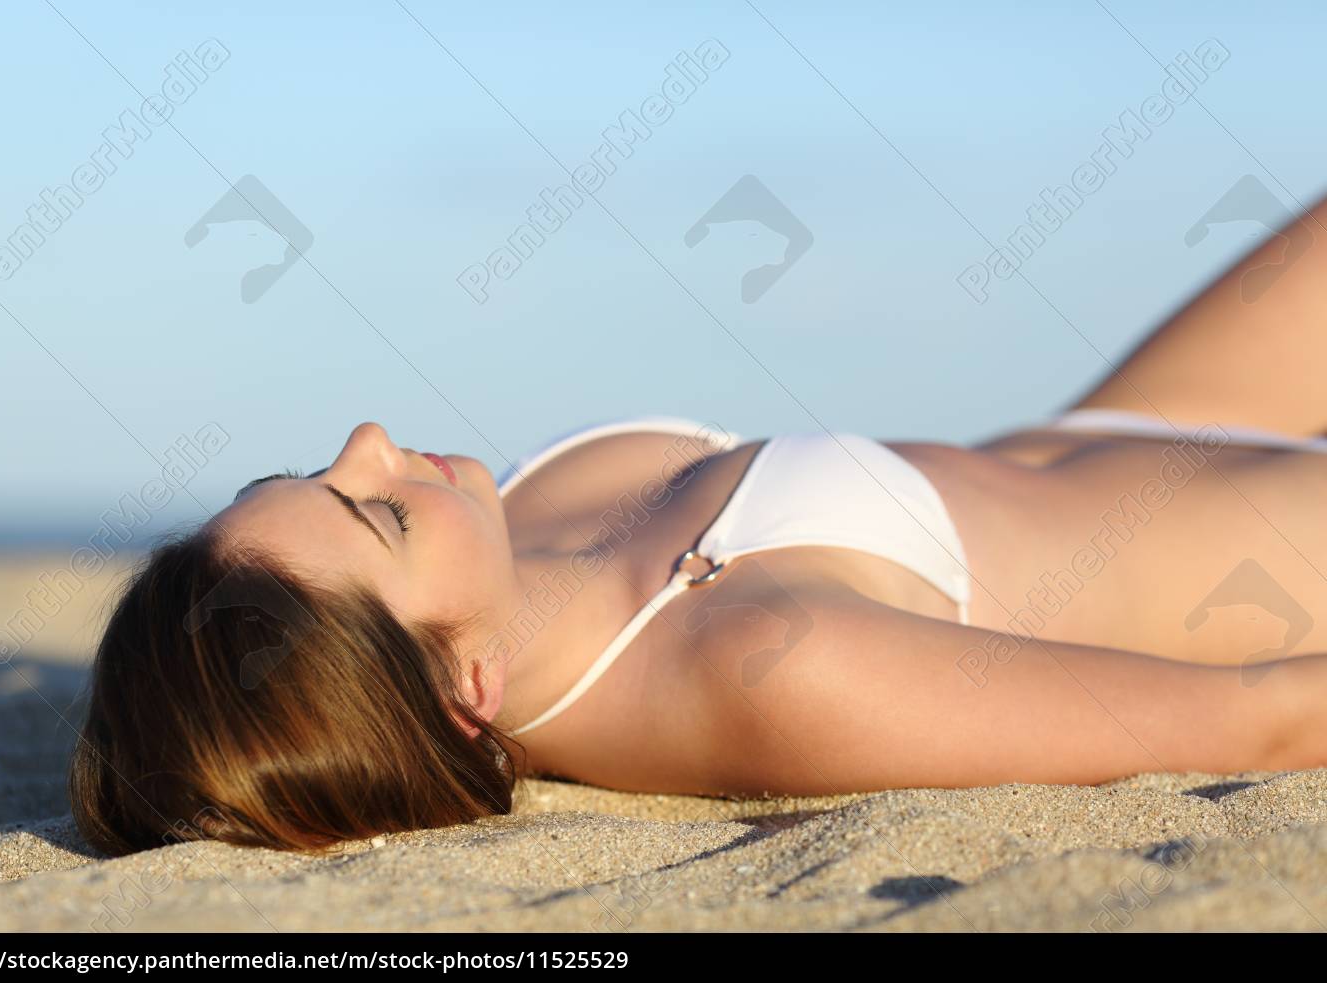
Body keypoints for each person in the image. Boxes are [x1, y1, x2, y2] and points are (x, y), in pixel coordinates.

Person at [69, 195, 1327, 855]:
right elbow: (1258, 716)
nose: (369, 437)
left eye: (313, 468)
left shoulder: (514, 545)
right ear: (464, 688)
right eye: (377, 510)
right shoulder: (762, 666)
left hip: (1138, 425)